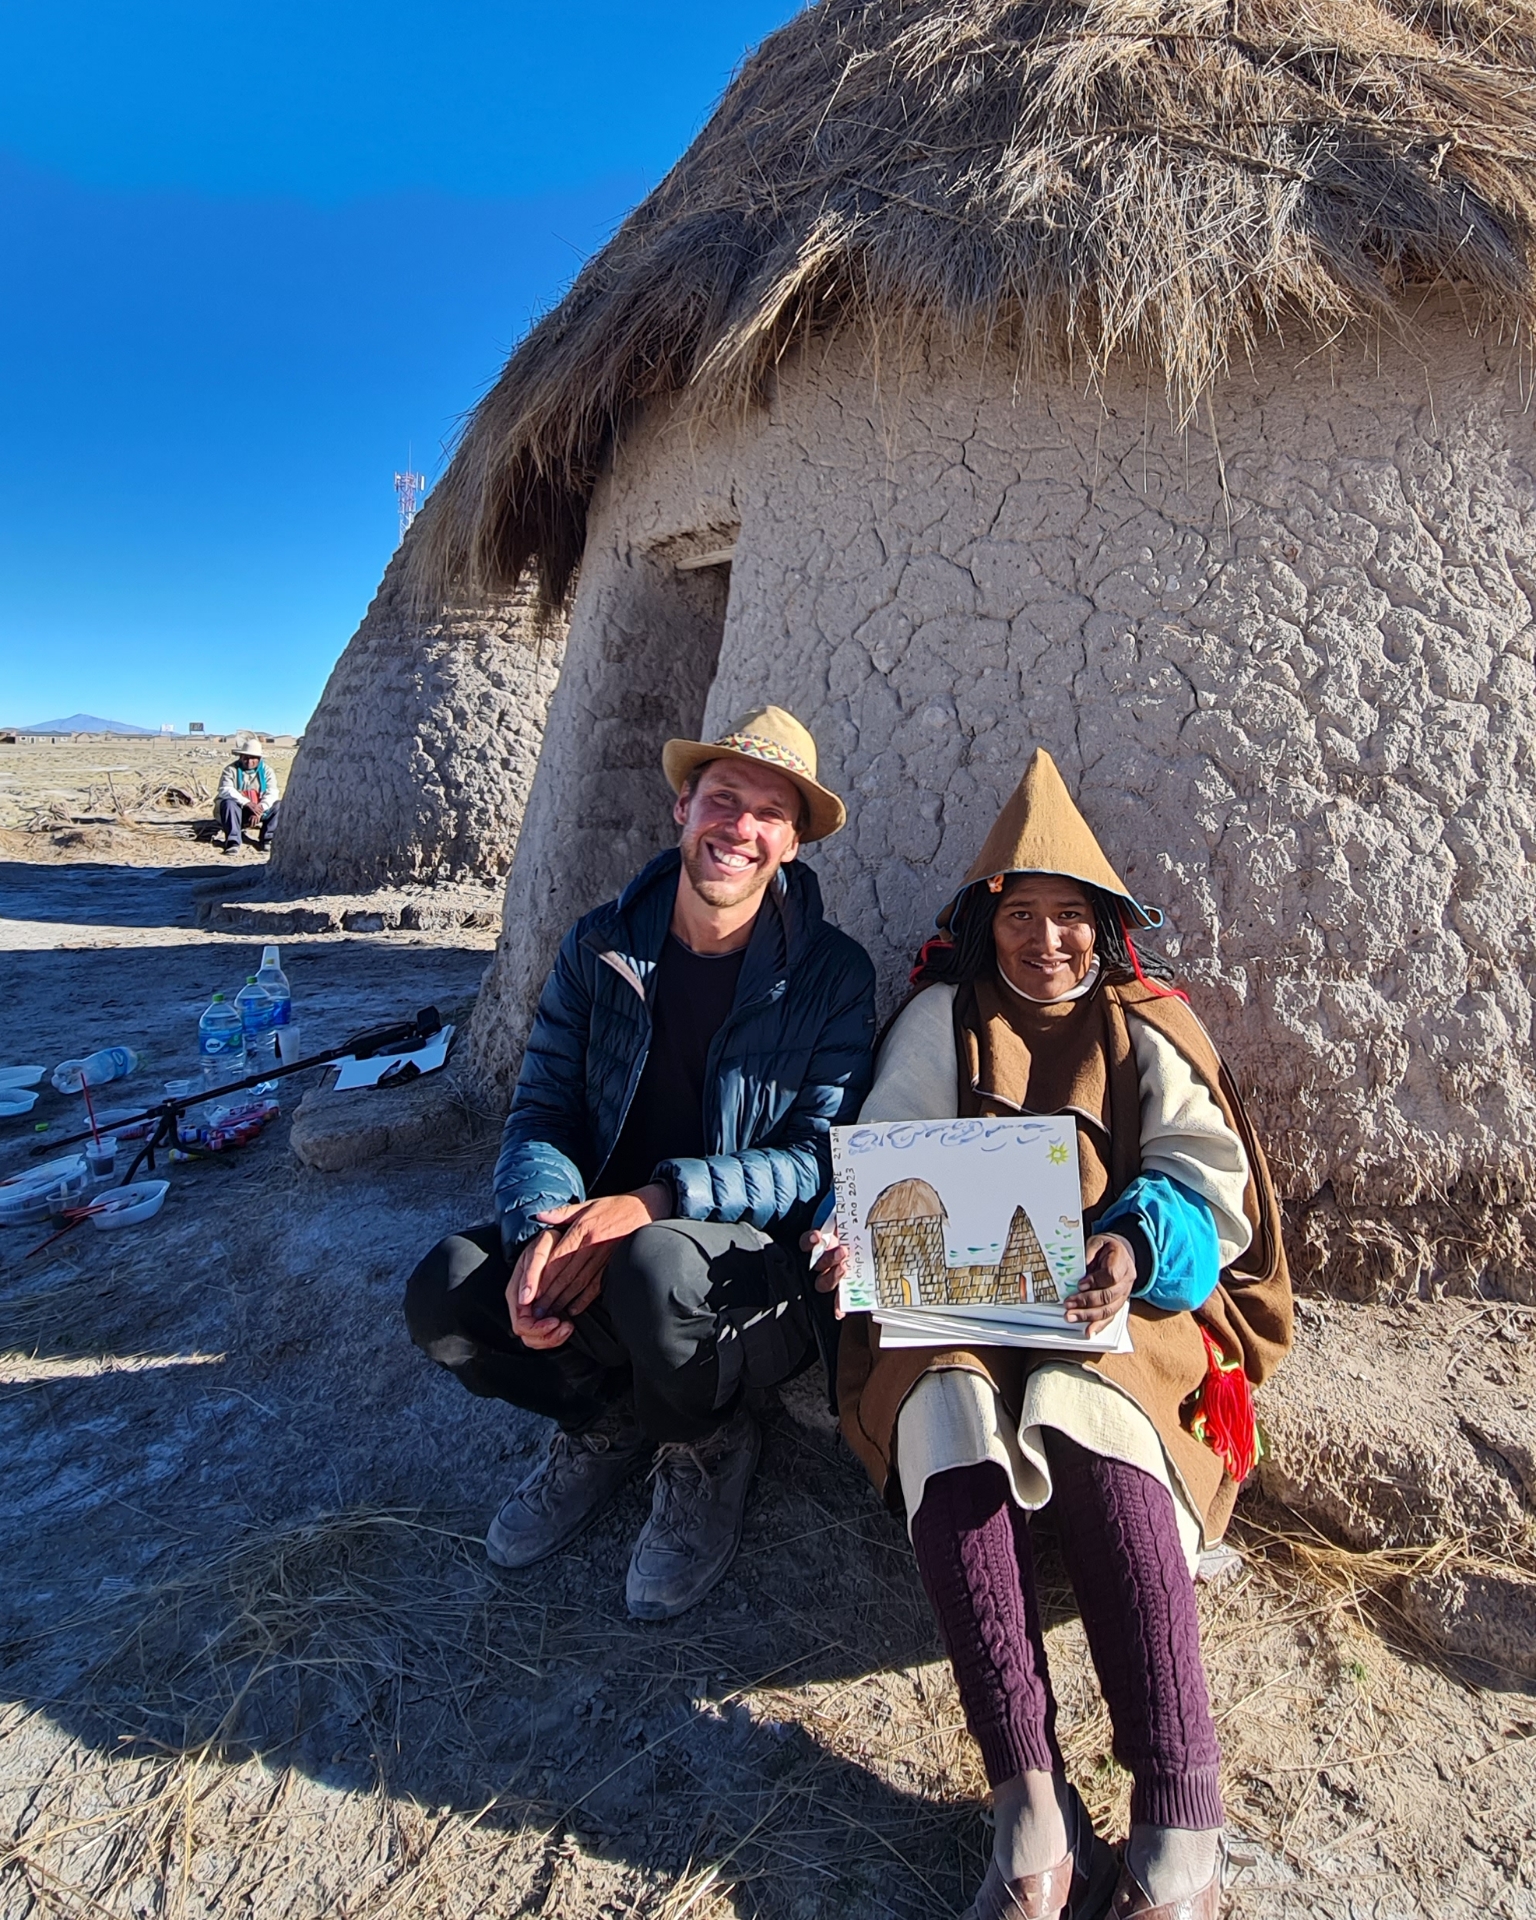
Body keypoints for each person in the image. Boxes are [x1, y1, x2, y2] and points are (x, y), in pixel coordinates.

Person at [820, 750, 1292, 1920]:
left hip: (1115, 1300)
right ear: (989, 925)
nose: (1047, 943)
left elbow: (1204, 1183)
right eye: (1022, 916)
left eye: (1071, 918)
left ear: (1105, 928)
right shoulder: (944, 1017)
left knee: (1095, 1407)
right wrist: (854, 1235)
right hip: (970, 1300)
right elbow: (888, 1153)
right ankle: (1031, 1809)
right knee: (945, 1406)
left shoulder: (1145, 1025)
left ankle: (1181, 1817)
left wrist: (1126, 1250)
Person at [405, 706, 876, 1620]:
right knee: (447, 1292)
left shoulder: (832, 976)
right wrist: (542, 1229)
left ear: (791, 842)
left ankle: (705, 1443)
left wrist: (663, 1197)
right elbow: (542, 1109)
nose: (738, 828)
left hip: (741, 1266)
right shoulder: (599, 948)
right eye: (723, 799)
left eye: (767, 813)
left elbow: (818, 1158)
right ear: (682, 809)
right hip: (601, 1234)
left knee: (656, 1269)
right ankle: (604, 1420)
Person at [216, 733, 281, 852]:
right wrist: (247, 803)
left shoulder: (267, 771)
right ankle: (233, 842)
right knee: (228, 802)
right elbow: (225, 789)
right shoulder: (231, 770)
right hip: (237, 811)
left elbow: (272, 792)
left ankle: (267, 839)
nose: (249, 761)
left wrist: (260, 808)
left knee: (278, 805)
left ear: (259, 759)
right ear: (240, 756)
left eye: (253, 758)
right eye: (245, 757)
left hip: (259, 810)